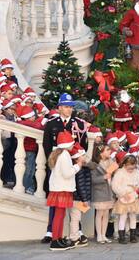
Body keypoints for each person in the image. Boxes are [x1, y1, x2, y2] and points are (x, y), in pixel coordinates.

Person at [41, 93, 88, 243]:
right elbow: (47, 146)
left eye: (71, 107)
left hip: (73, 165)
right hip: (57, 166)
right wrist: (55, 163)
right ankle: (51, 231)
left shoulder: (79, 124)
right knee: (56, 200)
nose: (69, 110)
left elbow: (83, 146)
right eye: (67, 107)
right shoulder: (51, 123)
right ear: (60, 108)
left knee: (75, 198)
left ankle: (77, 230)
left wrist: (75, 162)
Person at [46, 131, 84, 251]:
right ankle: (55, 241)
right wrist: (78, 166)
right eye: (72, 143)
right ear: (67, 144)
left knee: (59, 215)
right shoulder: (65, 155)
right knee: (59, 215)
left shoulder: (59, 153)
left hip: (58, 188)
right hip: (62, 188)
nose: (73, 145)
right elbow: (67, 173)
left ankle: (57, 238)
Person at [112, 154, 139, 244]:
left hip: (134, 197)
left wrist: (137, 190)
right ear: (124, 164)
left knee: (133, 216)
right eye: (129, 168)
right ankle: (121, 236)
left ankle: (132, 236)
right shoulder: (119, 172)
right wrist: (122, 193)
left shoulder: (137, 172)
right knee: (123, 216)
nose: (131, 170)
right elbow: (115, 185)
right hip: (123, 198)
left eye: (132, 168)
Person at [91, 143, 118, 244]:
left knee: (106, 213)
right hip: (99, 191)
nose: (109, 151)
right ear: (101, 153)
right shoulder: (95, 164)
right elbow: (93, 179)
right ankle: (99, 235)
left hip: (109, 191)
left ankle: (104, 235)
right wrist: (104, 177)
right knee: (100, 213)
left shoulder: (111, 161)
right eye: (107, 150)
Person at [17, 106, 44, 195]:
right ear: (28, 117)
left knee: (29, 170)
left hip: (28, 150)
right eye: (33, 116)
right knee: (29, 170)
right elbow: (38, 125)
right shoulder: (27, 123)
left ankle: (27, 186)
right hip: (29, 150)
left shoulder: (23, 122)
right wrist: (41, 120)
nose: (34, 117)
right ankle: (26, 186)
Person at [69, 143, 91, 247]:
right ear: (77, 158)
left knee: (77, 218)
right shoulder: (79, 170)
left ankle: (76, 236)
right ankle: (74, 238)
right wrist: (85, 199)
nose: (85, 157)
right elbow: (80, 186)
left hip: (79, 198)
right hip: (77, 198)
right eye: (83, 156)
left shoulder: (82, 168)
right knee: (75, 218)